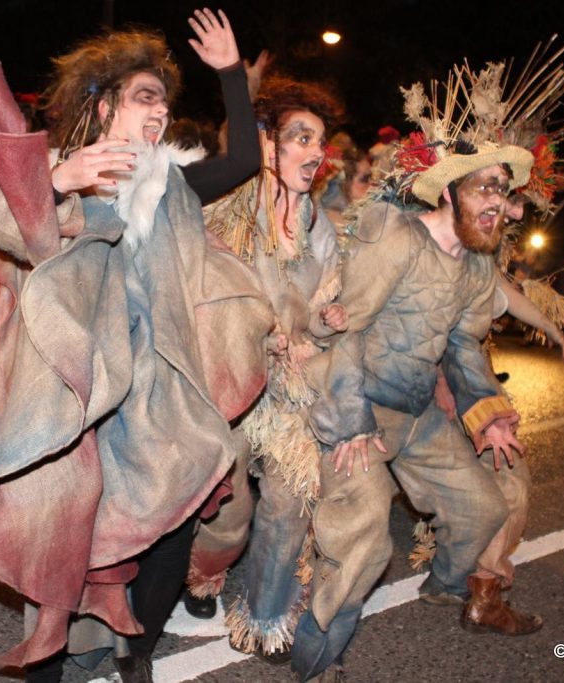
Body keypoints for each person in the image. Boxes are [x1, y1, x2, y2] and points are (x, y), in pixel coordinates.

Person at [0, 9, 272, 682]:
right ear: (102, 105)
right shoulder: (65, 169)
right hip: (79, 387)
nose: (158, 112)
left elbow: (244, 160)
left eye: (164, 101)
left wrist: (231, 74)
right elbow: (5, 220)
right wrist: (59, 181)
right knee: (63, 521)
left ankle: (139, 649)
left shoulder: (172, 184)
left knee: (173, 519)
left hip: (156, 388)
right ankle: (46, 663)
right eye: (144, 97)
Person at [295, 50, 564, 681]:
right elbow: (349, 327)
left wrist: (488, 415)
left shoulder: (477, 263)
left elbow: (461, 348)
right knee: (366, 535)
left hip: (417, 413)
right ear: (450, 190)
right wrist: (348, 421)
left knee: (486, 508)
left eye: (504, 192)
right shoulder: (393, 234)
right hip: (363, 406)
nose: (498, 204)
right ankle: (317, 655)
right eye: (486, 189)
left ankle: (447, 586)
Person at [185, 77, 345, 662]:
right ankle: (204, 574)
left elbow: (323, 315)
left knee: (288, 497)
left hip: (287, 392)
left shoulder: (319, 226)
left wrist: (325, 322)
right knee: (229, 511)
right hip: (229, 379)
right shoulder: (232, 210)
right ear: (269, 146)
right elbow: (203, 288)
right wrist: (260, 328)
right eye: (302, 137)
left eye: (321, 141)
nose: (316, 152)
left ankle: (267, 616)